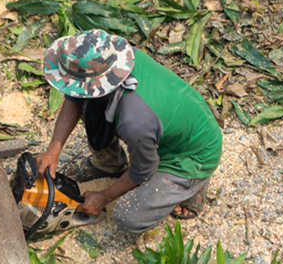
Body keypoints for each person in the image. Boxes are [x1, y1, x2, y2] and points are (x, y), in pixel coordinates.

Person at [37, 29, 222, 233]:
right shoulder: (113, 60)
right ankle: (110, 165)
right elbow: (74, 97)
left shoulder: (134, 121)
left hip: (195, 154)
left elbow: (143, 170)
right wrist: (54, 149)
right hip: (172, 123)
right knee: (92, 108)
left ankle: (193, 186)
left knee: (127, 217)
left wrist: (104, 197)